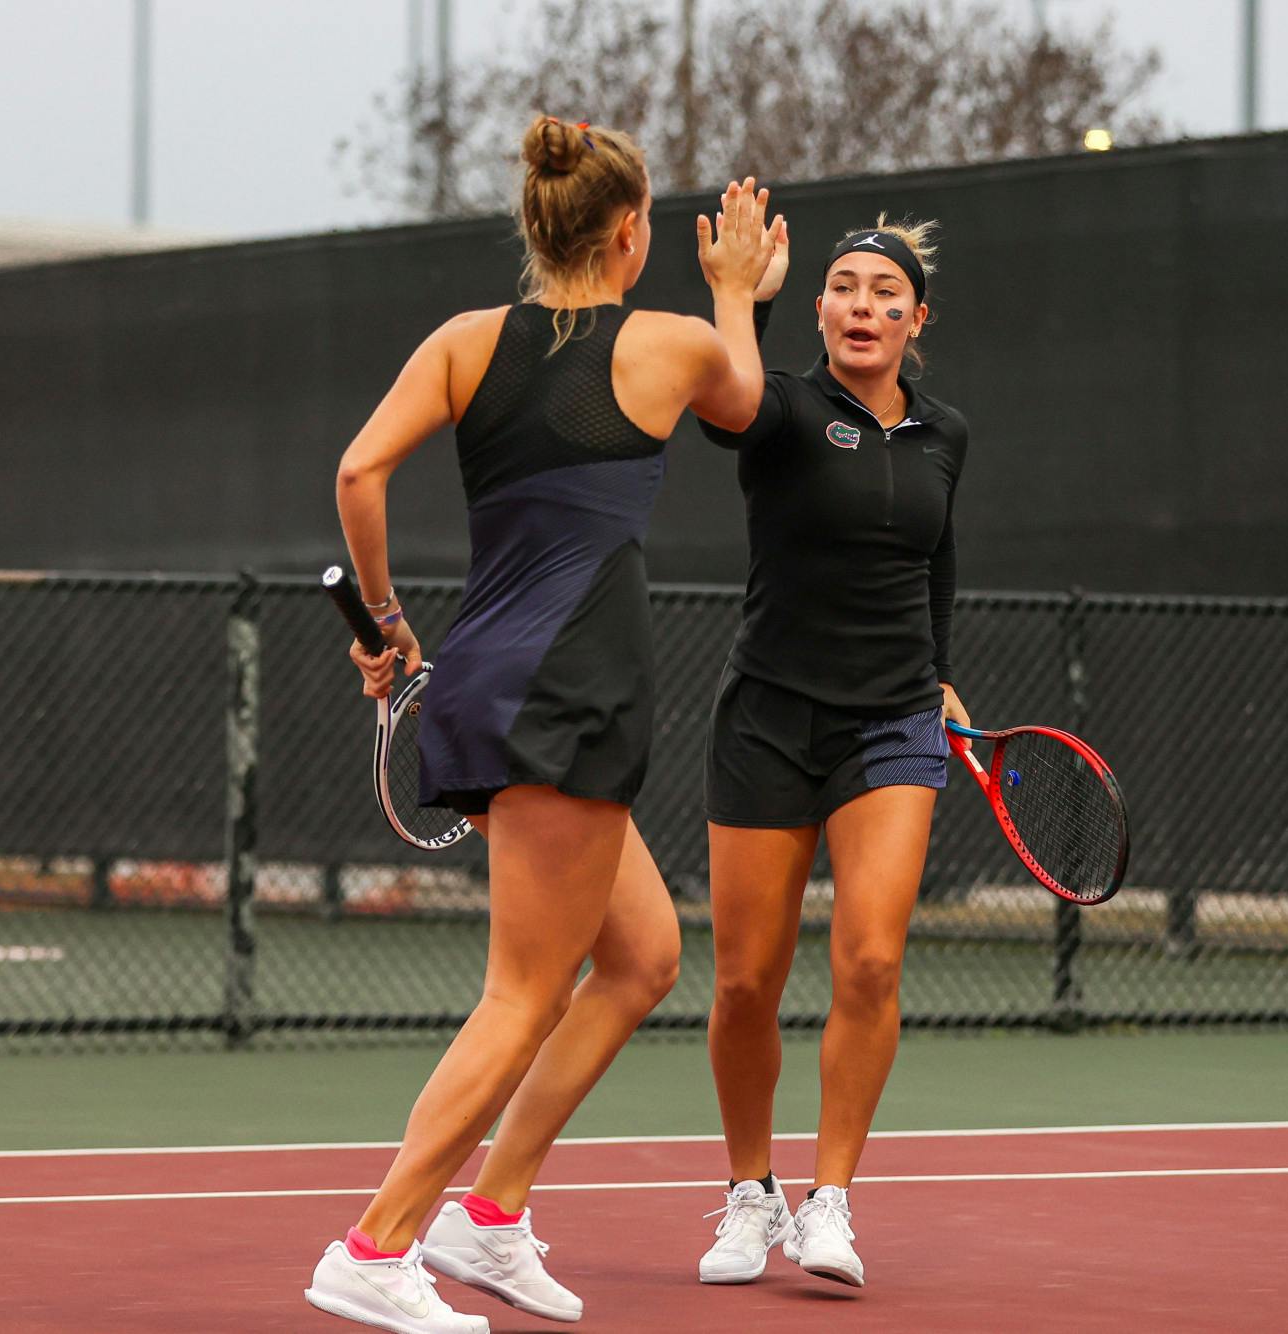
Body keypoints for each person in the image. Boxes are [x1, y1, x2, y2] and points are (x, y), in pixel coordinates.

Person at [304, 116, 779, 1333]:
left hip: (486, 674)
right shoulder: (673, 343)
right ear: (633, 237)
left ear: (535, 225)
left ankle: (492, 1212)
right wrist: (732, 291)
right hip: (569, 690)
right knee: (522, 992)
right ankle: (376, 1241)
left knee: (639, 958)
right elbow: (745, 403)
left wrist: (384, 625)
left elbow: (360, 472)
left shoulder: (465, 341)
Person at [694, 214, 970, 1289]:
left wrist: (940, 670)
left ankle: (831, 1201)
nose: (862, 304)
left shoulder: (945, 433)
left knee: (868, 958)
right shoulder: (784, 408)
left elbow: (938, 563)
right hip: (765, 717)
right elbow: (724, 412)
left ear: (915, 317)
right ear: (817, 309)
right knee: (743, 985)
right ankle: (747, 1193)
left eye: (882, 291)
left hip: (891, 721)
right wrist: (738, 297)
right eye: (842, 287)